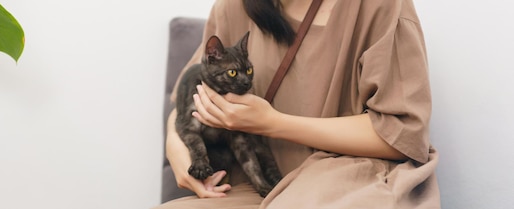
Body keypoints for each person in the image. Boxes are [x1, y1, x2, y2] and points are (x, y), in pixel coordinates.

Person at [154, 0, 440, 208]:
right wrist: (174, 143)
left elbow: (403, 135)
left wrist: (274, 123)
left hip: (352, 180)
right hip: (252, 185)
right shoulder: (233, 7)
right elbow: (189, 92)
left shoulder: (379, 6)